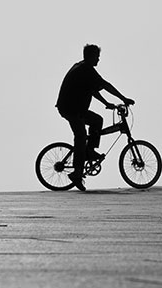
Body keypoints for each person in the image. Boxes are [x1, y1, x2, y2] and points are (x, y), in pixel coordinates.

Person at [55, 44, 134, 191]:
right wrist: (123, 98)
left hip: (77, 108)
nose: (98, 59)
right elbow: (105, 85)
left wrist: (106, 103)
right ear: (90, 57)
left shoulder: (83, 69)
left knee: (97, 120)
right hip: (71, 109)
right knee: (80, 136)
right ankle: (77, 173)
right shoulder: (86, 70)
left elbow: (92, 89)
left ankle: (89, 150)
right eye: (97, 57)